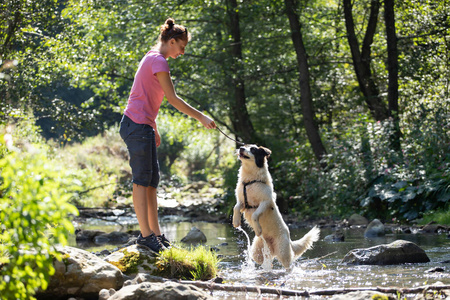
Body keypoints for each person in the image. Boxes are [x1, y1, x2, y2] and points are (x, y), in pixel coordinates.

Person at [119, 18, 216, 252]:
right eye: (181, 47)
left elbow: (145, 96)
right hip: (136, 125)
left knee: (152, 182)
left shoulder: (152, 57)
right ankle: (145, 236)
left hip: (143, 125)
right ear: (171, 41)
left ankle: (157, 235)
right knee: (142, 182)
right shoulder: (158, 61)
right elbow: (172, 98)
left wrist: (153, 126)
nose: (182, 52)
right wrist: (200, 116)